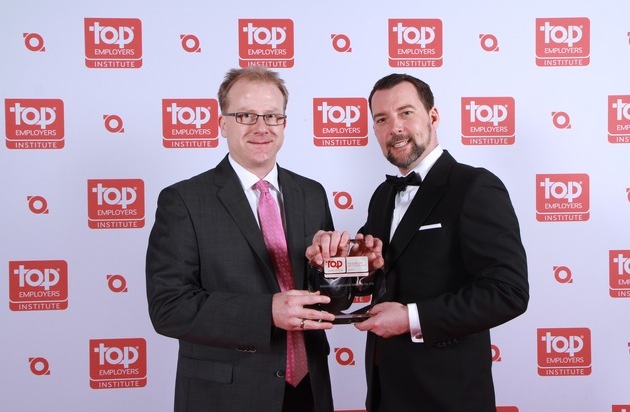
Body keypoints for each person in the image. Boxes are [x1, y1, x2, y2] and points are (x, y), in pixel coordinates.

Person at [306, 73, 529, 412]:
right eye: (382, 119)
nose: (394, 127)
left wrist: (411, 318)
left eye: (406, 112)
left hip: (448, 396)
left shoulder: (474, 186)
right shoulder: (383, 196)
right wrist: (332, 265)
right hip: (385, 391)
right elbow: (365, 278)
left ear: (433, 117)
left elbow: (508, 293)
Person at [146, 67, 339, 412]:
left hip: (309, 388)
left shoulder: (312, 193)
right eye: (246, 115)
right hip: (227, 395)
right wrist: (266, 312)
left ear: (284, 123)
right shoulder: (184, 201)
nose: (261, 127)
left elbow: (327, 301)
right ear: (223, 123)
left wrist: (336, 272)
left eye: (272, 116)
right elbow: (169, 308)